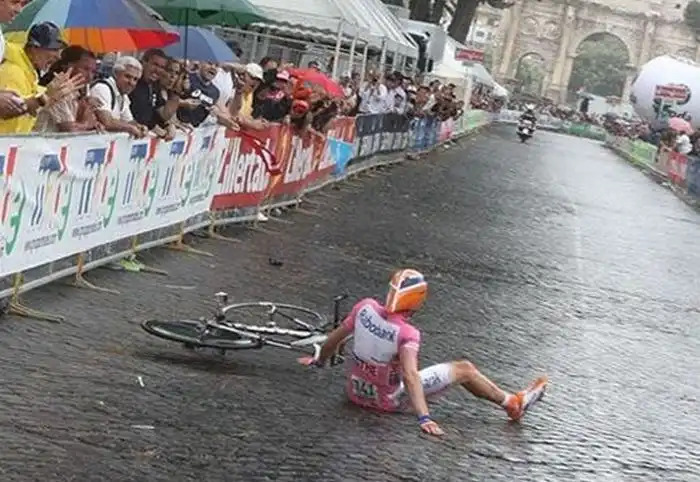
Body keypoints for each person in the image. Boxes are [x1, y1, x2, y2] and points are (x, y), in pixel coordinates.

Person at [299, 269, 548, 437]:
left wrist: (318, 361)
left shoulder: (365, 307)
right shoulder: (407, 333)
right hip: (388, 400)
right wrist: (424, 418)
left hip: (355, 393)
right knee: (465, 369)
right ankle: (512, 404)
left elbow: (334, 339)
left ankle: (511, 403)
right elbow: (410, 375)